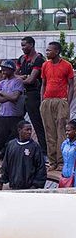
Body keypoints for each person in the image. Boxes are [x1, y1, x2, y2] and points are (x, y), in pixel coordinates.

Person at [0, 60, 26, 175]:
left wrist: (3, 93)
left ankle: (13, 169)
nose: (3, 71)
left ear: (12, 70)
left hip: (15, 117)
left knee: (14, 143)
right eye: (2, 68)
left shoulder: (18, 81)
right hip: (2, 116)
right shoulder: (2, 83)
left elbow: (15, 97)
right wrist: (8, 96)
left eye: (5, 69)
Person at [41, 41, 75, 171]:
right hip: (47, 101)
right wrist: (42, 101)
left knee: (61, 131)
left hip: (61, 101)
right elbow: (43, 84)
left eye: (50, 50)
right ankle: (52, 162)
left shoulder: (67, 65)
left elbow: (71, 85)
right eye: (47, 50)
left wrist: (68, 101)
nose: (47, 52)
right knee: (49, 132)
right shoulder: (45, 65)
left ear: (57, 51)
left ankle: (61, 162)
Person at [17, 36, 47, 155]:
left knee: (37, 124)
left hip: (34, 94)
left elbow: (31, 80)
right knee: (16, 122)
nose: (23, 48)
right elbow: (13, 75)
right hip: (22, 94)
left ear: (32, 45)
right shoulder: (22, 59)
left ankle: (44, 152)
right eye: (22, 45)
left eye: (25, 45)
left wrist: (21, 79)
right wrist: (23, 78)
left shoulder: (38, 59)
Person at [0, 121, 47, 190]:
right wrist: (1, 182)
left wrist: (35, 186)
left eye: (30, 130)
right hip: (14, 187)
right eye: (27, 130)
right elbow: (6, 166)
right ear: (19, 130)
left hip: (29, 189)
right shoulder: (11, 145)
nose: (29, 132)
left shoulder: (35, 147)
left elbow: (41, 168)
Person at [61, 119, 76, 188]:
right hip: (64, 177)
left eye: (69, 130)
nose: (66, 132)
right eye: (66, 130)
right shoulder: (64, 144)